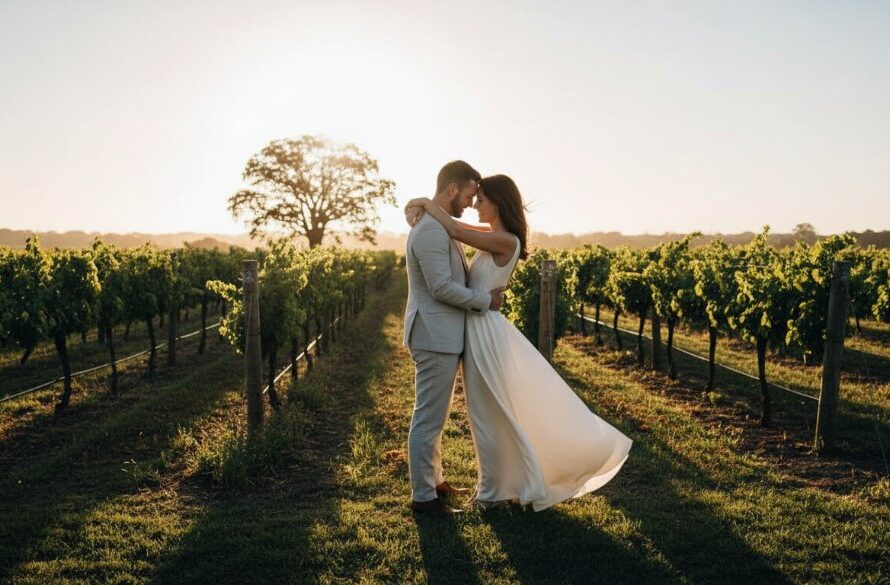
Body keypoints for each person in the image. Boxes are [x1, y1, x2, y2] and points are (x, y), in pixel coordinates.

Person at [404, 174, 632, 512]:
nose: (474, 204)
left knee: (488, 415)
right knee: (486, 415)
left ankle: (491, 493)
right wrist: (426, 204)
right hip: (476, 329)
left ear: (497, 202)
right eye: (473, 197)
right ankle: (491, 489)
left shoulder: (506, 241)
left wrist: (424, 203)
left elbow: (453, 229)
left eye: (481, 199)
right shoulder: (494, 235)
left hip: (484, 332)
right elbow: (453, 224)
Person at [403, 160, 506, 514]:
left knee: (436, 415)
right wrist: (485, 301)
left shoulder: (437, 225)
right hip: (433, 334)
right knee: (428, 417)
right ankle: (423, 498)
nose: (470, 201)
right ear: (451, 189)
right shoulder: (431, 230)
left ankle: (434, 482)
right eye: (468, 193)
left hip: (440, 334)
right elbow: (442, 287)